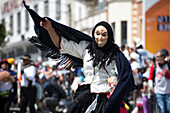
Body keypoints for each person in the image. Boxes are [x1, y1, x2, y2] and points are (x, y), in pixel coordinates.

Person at [38, 16, 135, 112]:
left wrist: (116, 96)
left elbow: (125, 75)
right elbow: (62, 44)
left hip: (107, 98)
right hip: (86, 96)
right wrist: (50, 28)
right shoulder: (86, 48)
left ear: (109, 36)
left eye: (104, 35)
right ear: (93, 34)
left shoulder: (115, 53)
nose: (100, 38)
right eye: (97, 34)